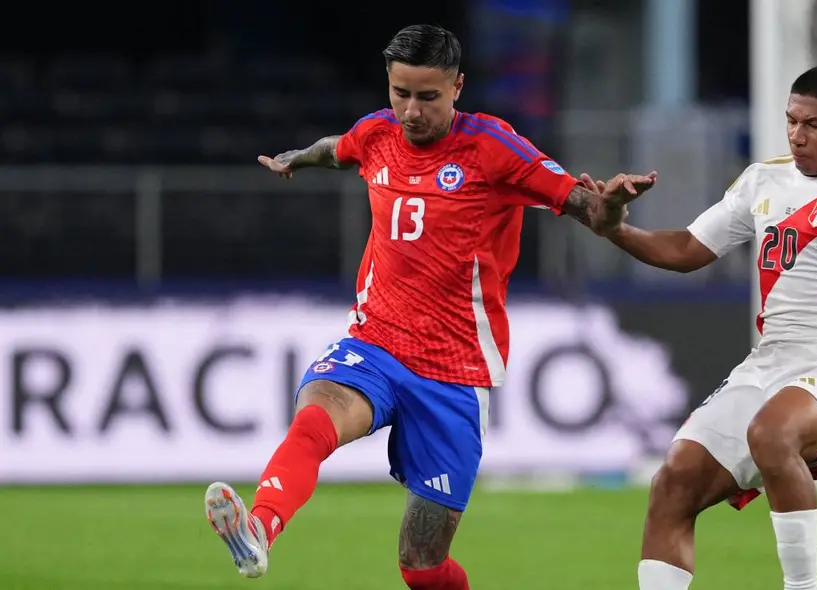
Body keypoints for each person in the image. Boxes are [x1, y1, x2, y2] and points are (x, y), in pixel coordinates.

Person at [202, 24, 656, 589]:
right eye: (401, 94)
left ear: (458, 87)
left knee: (421, 568)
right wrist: (299, 157)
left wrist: (610, 207)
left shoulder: (494, 147)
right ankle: (259, 528)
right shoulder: (377, 133)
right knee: (315, 417)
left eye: (428, 97)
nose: (411, 112)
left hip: (454, 371)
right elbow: (337, 150)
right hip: (376, 342)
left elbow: (589, 209)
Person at [584, 64, 817, 590]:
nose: (797, 134)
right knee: (673, 481)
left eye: (813, 124)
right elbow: (687, 250)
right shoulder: (764, 179)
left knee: (772, 434)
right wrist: (615, 229)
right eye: (791, 121)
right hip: (771, 360)